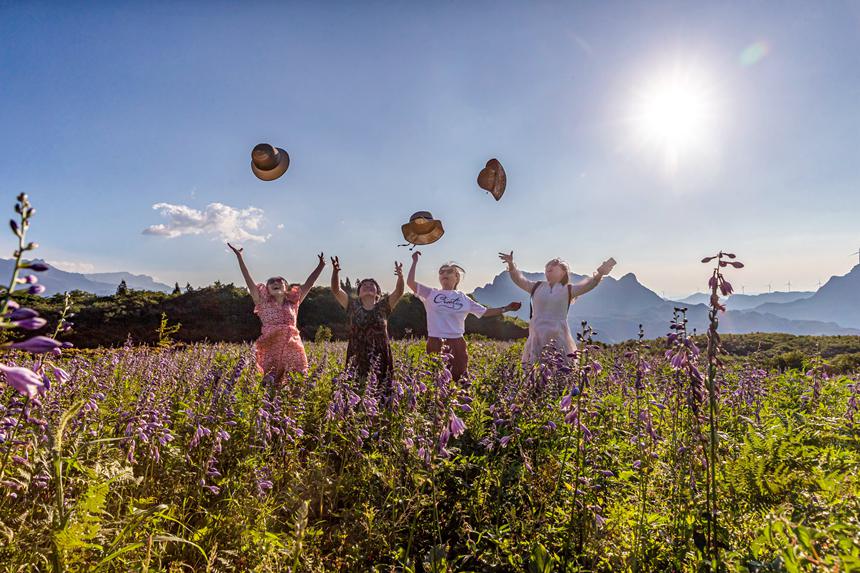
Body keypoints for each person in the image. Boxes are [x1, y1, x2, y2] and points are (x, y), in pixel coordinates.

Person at [407, 251, 519, 380]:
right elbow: (410, 283)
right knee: (435, 380)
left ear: (456, 277)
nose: (444, 274)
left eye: (448, 271)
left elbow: (485, 312)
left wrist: (507, 308)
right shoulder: (431, 293)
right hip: (435, 341)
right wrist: (414, 262)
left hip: (457, 342)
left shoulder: (463, 298)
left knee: (459, 379)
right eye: (441, 272)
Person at [228, 243, 325, 383]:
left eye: (279, 281)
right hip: (271, 346)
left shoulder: (293, 303)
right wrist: (240, 257)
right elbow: (247, 279)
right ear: (266, 289)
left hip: (293, 347)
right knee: (270, 382)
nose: (275, 282)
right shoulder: (261, 301)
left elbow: (310, 283)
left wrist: (320, 266)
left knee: (297, 381)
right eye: (271, 282)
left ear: (286, 288)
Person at [499, 251, 615, 367]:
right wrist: (511, 264)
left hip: (558, 336)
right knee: (535, 370)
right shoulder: (536, 287)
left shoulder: (568, 290)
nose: (547, 271)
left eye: (551, 269)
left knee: (560, 369)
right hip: (537, 335)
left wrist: (600, 274)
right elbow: (519, 279)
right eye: (546, 269)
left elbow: (590, 284)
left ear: (563, 272)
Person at [329, 256, 404, 387]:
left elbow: (399, 292)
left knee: (382, 391)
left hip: (381, 356)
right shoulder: (352, 306)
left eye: (371, 285)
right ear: (359, 293)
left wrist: (400, 276)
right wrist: (335, 272)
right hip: (357, 355)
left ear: (377, 293)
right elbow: (336, 290)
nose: (367, 286)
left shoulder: (384, 307)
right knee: (356, 390)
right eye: (364, 285)